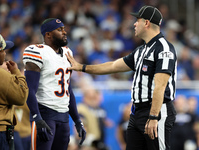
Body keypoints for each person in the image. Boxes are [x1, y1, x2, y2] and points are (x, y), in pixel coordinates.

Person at [66, 5, 177, 150]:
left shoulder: (164, 49)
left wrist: (154, 116)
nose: (134, 24)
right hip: (137, 111)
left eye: (138, 20)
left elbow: (160, 86)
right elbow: (112, 66)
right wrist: (82, 67)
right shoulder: (141, 51)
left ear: (147, 23)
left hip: (156, 111)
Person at [22, 18, 86, 150]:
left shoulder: (68, 53)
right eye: (59, 29)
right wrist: (37, 118)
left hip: (63, 117)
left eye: (64, 29)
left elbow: (68, 89)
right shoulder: (37, 51)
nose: (64, 32)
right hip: (45, 114)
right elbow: (30, 90)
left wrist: (77, 120)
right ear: (48, 34)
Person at [0, 34, 29, 150]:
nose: (5, 54)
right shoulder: (2, 75)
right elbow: (21, 97)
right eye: (3, 50)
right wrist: (17, 73)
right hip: (0, 131)